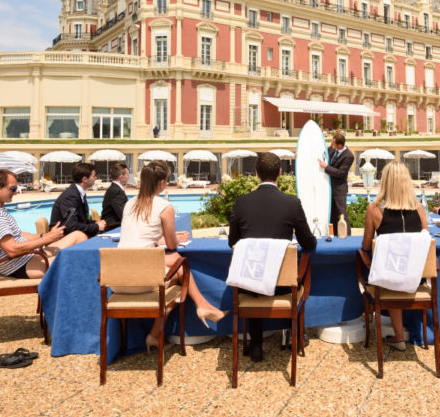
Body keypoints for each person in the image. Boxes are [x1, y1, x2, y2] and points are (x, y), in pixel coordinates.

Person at [117, 160, 226, 350]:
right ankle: (203, 305)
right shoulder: (163, 205)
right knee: (179, 264)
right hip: (143, 280)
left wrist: (158, 240)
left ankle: (154, 335)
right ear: (161, 183)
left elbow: (140, 234)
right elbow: (172, 244)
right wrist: (172, 237)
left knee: (178, 286)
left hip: (117, 280)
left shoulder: (129, 204)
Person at [229, 152, 317, 362]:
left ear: (257, 174)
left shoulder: (241, 203)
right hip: (283, 285)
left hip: (249, 284)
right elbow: (309, 243)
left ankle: (257, 344)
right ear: (280, 172)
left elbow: (232, 241)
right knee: (293, 274)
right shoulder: (292, 203)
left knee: (255, 276)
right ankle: (292, 334)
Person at [362, 161, 428, 350]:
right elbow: (424, 240)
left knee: (392, 271)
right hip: (416, 277)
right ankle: (413, 332)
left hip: (390, 278)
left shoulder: (374, 210)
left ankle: (399, 336)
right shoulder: (419, 209)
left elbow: (366, 245)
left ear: (385, 182)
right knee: (401, 270)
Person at [0, 169, 86, 278]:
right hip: (20, 266)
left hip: (27, 258)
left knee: (78, 236)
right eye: (12, 189)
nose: (16, 193)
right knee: (78, 262)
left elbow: (18, 234)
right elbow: (12, 250)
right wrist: (46, 239)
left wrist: (45, 236)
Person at [49, 162, 107, 238]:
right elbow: (71, 226)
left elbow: (80, 220)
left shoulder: (78, 193)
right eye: (94, 176)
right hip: (62, 238)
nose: (96, 178)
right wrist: (96, 227)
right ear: (85, 179)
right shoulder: (70, 196)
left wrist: (95, 222)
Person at [318, 131, 354, 236]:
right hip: (329, 188)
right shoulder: (332, 149)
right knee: (332, 214)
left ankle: (347, 237)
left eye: (333, 143)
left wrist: (326, 167)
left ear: (339, 145)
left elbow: (341, 173)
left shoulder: (349, 156)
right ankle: (334, 235)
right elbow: (322, 154)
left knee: (341, 213)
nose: (331, 145)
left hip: (339, 189)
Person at [101, 161, 129, 230]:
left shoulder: (114, 188)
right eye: (127, 175)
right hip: (112, 227)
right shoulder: (117, 191)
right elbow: (124, 214)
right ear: (121, 177)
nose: (128, 177)